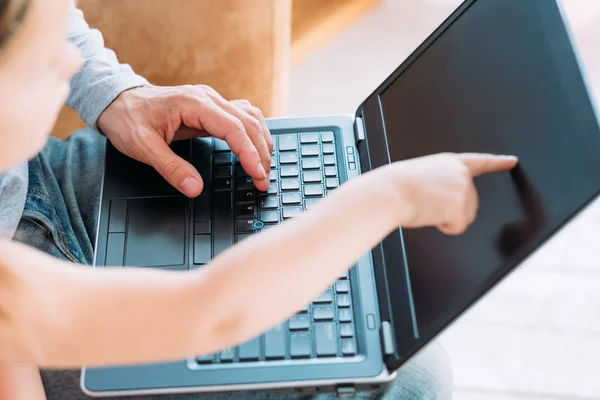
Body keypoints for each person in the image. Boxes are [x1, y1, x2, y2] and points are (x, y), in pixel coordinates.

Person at [0, 0, 518, 398]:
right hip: (29, 270)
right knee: (411, 382)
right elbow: (211, 311)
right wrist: (388, 195)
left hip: (35, 177)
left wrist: (114, 92)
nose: (70, 61)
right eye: (43, 53)